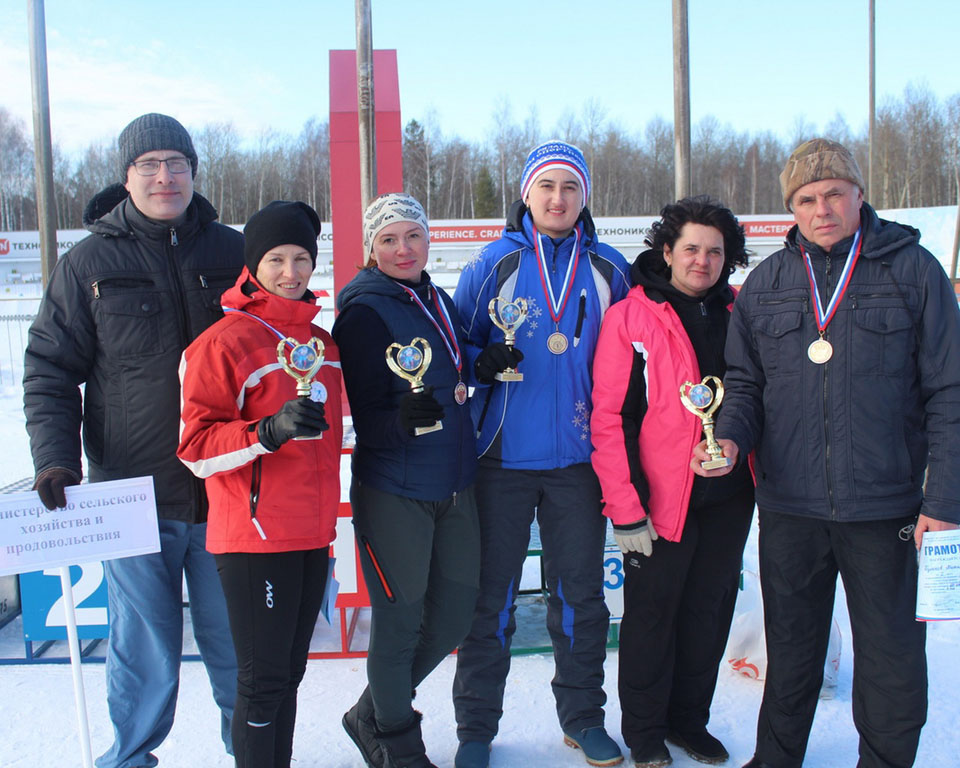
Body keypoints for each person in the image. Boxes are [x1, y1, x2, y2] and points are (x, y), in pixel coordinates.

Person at [692, 138, 960, 768]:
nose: (821, 209)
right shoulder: (767, 282)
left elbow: (949, 390)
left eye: (834, 193)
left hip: (887, 507)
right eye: (806, 199)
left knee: (890, 659)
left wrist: (944, 498)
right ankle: (776, 760)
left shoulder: (912, 269)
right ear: (792, 206)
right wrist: (729, 436)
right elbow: (747, 384)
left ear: (859, 195)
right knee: (791, 653)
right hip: (790, 508)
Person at [23, 113, 243, 768]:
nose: (164, 176)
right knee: (143, 653)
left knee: (238, 647)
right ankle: (129, 760)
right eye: (149, 165)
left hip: (228, 488)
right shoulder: (88, 261)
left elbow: (275, 350)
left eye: (177, 163)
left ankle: (254, 756)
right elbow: (50, 370)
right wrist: (55, 458)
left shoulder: (233, 254)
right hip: (132, 497)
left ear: (194, 173)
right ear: (126, 179)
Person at [452, 140, 631, 768]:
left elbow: (629, 366)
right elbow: (458, 349)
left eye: (570, 188)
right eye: (546, 186)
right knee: (491, 599)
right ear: (526, 193)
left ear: (585, 198)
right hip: (499, 459)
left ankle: (583, 718)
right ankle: (475, 728)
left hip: (578, 464)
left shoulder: (609, 267)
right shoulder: (492, 264)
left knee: (581, 598)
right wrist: (480, 361)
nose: (558, 199)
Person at [591, 197, 754, 768]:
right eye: (691, 249)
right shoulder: (632, 317)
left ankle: (690, 721)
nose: (703, 261)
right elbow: (610, 418)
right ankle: (644, 733)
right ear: (667, 250)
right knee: (652, 619)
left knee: (708, 614)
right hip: (660, 503)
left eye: (715, 252)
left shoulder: (740, 310)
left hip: (728, 496)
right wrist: (626, 505)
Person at [177, 201, 341, 767]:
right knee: (263, 678)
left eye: (301, 258)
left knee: (290, 673)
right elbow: (195, 448)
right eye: (276, 258)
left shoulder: (324, 345)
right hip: (254, 538)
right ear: (252, 265)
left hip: (313, 532)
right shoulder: (223, 343)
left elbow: (345, 429)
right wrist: (266, 431)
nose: (291, 271)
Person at [333, 193, 480, 768]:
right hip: (396, 489)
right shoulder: (365, 311)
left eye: (412, 236)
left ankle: (369, 710)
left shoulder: (433, 297)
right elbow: (365, 414)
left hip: (455, 481)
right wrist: (397, 423)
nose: (402, 248)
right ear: (371, 248)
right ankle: (396, 742)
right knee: (399, 621)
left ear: (427, 240)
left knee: (454, 614)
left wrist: (484, 361)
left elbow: (451, 361)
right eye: (388, 239)